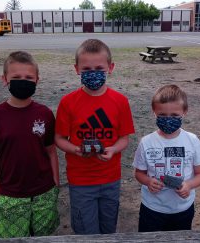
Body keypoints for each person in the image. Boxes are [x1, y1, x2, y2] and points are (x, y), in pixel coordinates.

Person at [55, 39, 135, 234]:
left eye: (99, 68)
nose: (93, 73)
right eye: (87, 68)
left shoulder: (120, 101)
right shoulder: (68, 102)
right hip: (81, 181)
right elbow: (59, 138)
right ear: (77, 69)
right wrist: (76, 149)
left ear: (111, 67)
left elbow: (124, 138)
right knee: (85, 231)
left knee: (108, 228)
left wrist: (113, 149)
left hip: (110, 179)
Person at [0, 51, 60, 238]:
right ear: (5, 79)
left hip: (44, 193)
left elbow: (51, 150)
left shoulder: (45, 113)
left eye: (28, 77)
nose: (23, 81)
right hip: (10, 195)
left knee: (43, 237)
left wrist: (55, 182)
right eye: (16, 77)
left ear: (37, 80)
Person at [133, 84, 200, 232]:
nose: (168, 120)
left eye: (174, 115)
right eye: (162, 115)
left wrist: (189, 185)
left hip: (182, 209)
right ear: (154, 112)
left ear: (184, 112)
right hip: (152, 208)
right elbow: (138, 173)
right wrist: (148, 181)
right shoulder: (146, 142)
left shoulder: (192, 141)